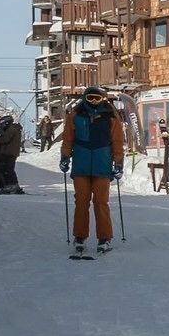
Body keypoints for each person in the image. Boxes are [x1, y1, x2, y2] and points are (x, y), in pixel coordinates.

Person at [59, 87, 123, 255]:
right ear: (85, 98)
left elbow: (117, 141)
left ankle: (104, 238)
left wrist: (119, 163)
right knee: (81, 201)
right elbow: (68, 139)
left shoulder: (110, 116)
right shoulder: (75, 115)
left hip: (102, 164)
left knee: (101, 202)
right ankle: (79, 236)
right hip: (81, 164)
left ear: (102, 99)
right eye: (90, 98)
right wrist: (65, 157)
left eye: (97, 98)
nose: (93, 102)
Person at [0, 113, 22, 193]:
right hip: (9, 152)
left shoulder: (11, 129)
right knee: (6, 169)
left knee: (8, 169)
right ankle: (10, 185)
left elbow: (5, 139)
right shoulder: (12, 128)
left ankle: (13, 185)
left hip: (9, 152)